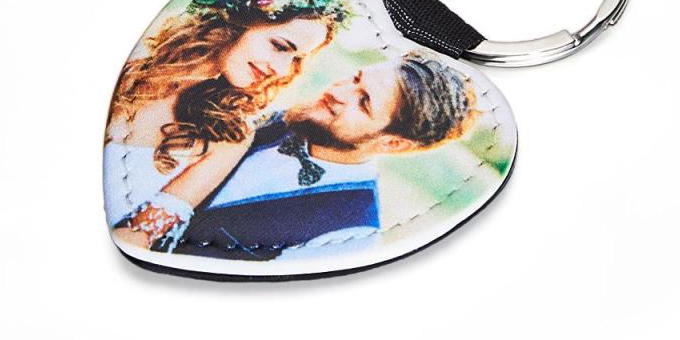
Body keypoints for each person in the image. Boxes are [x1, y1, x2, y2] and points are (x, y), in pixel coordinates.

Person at [134, 53, 477, 259]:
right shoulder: (258, 114)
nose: (338, 92)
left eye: (363, 102)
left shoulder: (349, 235)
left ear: (393, 144)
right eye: (355, 78)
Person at [103, 0, 352, 247]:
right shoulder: (129, 63)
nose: (282, 70)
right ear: (237, 21)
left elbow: (140, 235)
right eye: (279, 46)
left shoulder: (230, 134)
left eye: (295, 58)